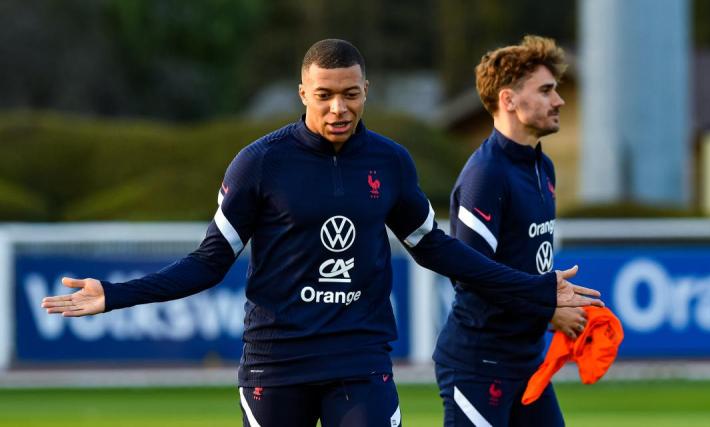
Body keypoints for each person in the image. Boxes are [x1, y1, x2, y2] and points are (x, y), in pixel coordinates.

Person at [41, 38, 601, 427]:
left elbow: (436, 249)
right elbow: (208, 262)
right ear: (303, 93)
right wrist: (115, 294)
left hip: (358, 359)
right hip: (276, 363)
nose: (339, 108)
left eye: (351, 94)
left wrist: (536, 289)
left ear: (366, 91)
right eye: (325, 95)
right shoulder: (260, 164)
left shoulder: (390, 162)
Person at [433, 35, 584, 426]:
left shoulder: (541, 166)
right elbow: (471, 275)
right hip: (478, 362)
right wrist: (547, 307)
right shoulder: (486, 175)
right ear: (509, 100)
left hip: (526, 359)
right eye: (546, 90)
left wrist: (549, 310)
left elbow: (522, 265)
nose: (559, 100)